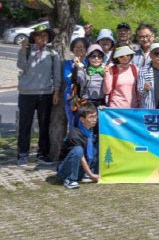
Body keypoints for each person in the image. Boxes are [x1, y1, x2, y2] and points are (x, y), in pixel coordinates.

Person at [16, 25, 61, 166]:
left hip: (45, 93)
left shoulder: (53, 54)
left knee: (44, 125)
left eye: (45, 36)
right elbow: (21, 66)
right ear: (34, 37)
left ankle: (42, 154)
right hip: (26, 93)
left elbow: (57, 74)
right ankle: (22, 154)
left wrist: (56, 91)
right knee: (25, 125)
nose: (42, 38)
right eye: (39, 35)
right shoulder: (27, 50)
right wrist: (23, 50)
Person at [56, 103, 99, 189]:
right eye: (91, 117)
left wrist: (102, 109)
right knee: (78, 150)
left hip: (81, 169)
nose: (94, 119)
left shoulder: (93, 130)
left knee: (99, 144)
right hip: (65, 170)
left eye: (95, 116)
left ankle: (87, 173)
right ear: (82, 119)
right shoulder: (74, 134)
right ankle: (70, 179)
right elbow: (81, 158)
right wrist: (91, 175)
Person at [63, 38, 89, 130]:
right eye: (76, 47)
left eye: (82, 47)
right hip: (71, 97)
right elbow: (68, 79)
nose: (79, 49)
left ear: (86, 49)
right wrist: (76, 67)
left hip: (86, 98)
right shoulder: (68, 64)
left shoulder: (89, 63)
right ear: (72, 49)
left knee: (86, 123)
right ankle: (74, 143)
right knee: (73, 123)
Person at [73, 44, 108, 111]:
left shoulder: (106, 71)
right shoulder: (84, 71)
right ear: (88, 58)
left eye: (99, 56)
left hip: (102, 105)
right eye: (93, 56)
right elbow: (78, 80)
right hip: (87, 105)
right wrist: (77, 67)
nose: (96, 59)